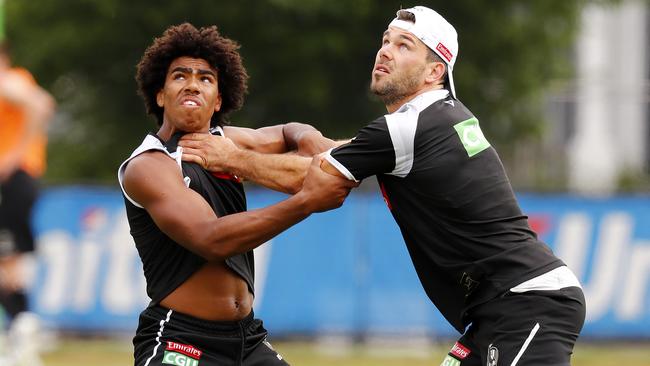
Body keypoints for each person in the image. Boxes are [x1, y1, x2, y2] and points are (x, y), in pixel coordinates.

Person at [179, 6, 586, 366]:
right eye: (386, 40)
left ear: (435, 71)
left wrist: (232, 158)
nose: (386, 51)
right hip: (498, 309)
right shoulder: (432, 120)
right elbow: (346, 153)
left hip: (527, 300)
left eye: (405, 45)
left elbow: (317, 182)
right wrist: (301, 142)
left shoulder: (410, 125)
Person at [118, 23, 355, 366]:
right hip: (181, 339)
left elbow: (288, 132)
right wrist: (304, 203)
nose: (192, 84)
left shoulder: (228, 140)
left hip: (247, 338)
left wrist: (308, 137)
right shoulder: (150, 164)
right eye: (180, 75)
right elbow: (211, 239)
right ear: (160, 94)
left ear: (218, 100)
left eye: (205, 78)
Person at [0, 40, 55, 366]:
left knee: (8, 259)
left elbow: (41, 105)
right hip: (17, 179)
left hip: (15, 178)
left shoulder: (10, 79)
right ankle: (23, 332)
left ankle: (25, 333)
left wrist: (16, 154)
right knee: (10, 261)